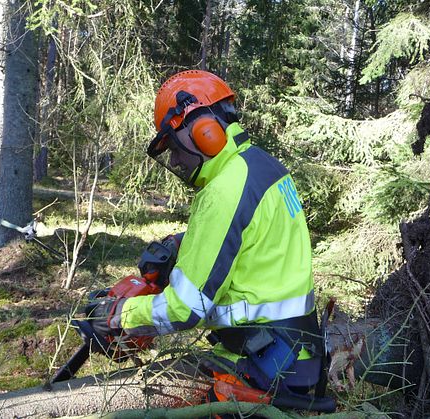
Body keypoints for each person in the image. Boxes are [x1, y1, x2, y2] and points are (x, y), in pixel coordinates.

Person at [89, 70, 324, 402]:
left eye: (172, 145)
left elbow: (186, 309)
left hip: (265, 368)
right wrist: (187, 242)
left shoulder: (224, 190)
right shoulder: (261, 166)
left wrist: (119, 316)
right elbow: (256, 236)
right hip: (297, 354)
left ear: (203, 131)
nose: (173, 159)